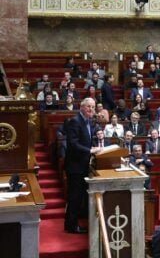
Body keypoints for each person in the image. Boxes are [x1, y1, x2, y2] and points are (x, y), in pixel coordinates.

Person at [64, 98, 99, 234]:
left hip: (83, 165)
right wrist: (89, 150)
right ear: (82, 107)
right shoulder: (75, 121)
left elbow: (85, 142)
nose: (91, 109)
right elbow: (73, 144)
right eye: (89, 106)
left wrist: (92, 148)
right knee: (75, 196)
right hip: (75, 166)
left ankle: (72, 223)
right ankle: (71, 225)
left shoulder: (88, 122)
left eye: (93, 107)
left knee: (78, 196)